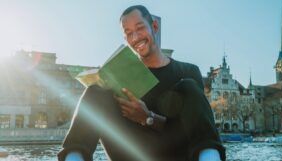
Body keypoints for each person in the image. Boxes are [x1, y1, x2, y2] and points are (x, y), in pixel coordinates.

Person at [58, 5, 226, 161]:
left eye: (140, 28)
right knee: (96, 92)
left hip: (173, 154)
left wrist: (147, 117)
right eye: (129, 33)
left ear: (154, 27)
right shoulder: (121, 75)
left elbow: (188, 131)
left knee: (189, 86)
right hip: (131, 153)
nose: (136, 37)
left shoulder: (188, 71)